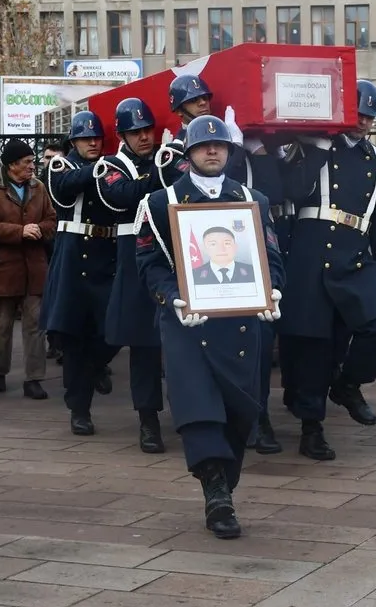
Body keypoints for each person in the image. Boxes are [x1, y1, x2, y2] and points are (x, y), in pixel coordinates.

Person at [136, 115, 285, 539]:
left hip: (242, 322)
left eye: (220, 145)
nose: (213, 151)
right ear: (189, 153)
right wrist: (172, 297)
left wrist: (273, 291)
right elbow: (147, 263)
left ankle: (222, 477)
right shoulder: (159, 203)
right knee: (199, 410)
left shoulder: (253, 199)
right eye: (203, 146)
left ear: (230, 151)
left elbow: (270, 258)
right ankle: (216, 493)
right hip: (188, 324)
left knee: (240, 414)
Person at [277, 80, 376, 461]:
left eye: (370, 117)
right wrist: (318, 149)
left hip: (355, 255)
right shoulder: (311, 147)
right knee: (315, 346)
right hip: (311, 253)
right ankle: (312, 430)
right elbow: (293, 191)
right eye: (358, 113)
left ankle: (348, 385)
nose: (363, 122)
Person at [39, 112, 126, 442]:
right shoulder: (62, 165)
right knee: (75, 338)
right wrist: (104, 168)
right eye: (86, 138)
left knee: (113, 330)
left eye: (97, 138)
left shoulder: (108, 166)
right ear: (73, 141)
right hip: (75, 255)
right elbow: (63, 187)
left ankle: (97, 366)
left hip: (106, 253)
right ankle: (80, 410)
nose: (93, 142)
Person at [91, 98, 168, 448]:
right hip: (135, 259)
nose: (145, 138)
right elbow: (122, 196)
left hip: (171, 255)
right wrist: (160, 171)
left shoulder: (165, 159)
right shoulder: (109, 165)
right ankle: (148, 419)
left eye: (148, 130)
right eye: (136, 132)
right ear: (122, 135)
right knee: (142, 343)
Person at [0, 138, 56, 400]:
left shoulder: (39, 187)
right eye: (27, 162)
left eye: (33, 162)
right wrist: (19, 232)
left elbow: (52, 219)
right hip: (3, 268)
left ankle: (34, 378)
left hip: (34, 269)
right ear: (12, 165)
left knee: (34, 326)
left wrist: (39, 230)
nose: (33, 166)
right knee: (4, 324)